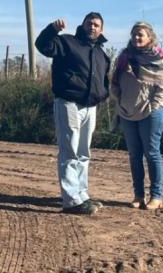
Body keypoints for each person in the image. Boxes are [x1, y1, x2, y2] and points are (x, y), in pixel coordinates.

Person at [35, 12, 111, 215]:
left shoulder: (101, 53)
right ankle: (71, 200)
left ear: (101, 29)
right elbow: (42, 46)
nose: (92, 27)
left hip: (90, 107)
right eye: (89, 23)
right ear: (82, 25)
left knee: (84, 153)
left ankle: (81, 194)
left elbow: (104, 79)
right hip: (69, 103)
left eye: (96, 25)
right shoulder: (67, 42)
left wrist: (102, 95)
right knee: (69, 151)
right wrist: (52, 30)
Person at [111, 21, 163, 210]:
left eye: (140, 34)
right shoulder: (124, 57)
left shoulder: (158, 58)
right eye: (134, 34)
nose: (136, 37)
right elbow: (115, 81)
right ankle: (138, 195)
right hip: (127, 112)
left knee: (152, 153)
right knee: (134, 155)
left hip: (151, 113)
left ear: (149, 37)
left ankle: (156, 196)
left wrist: (152, 106)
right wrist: (120, 100)